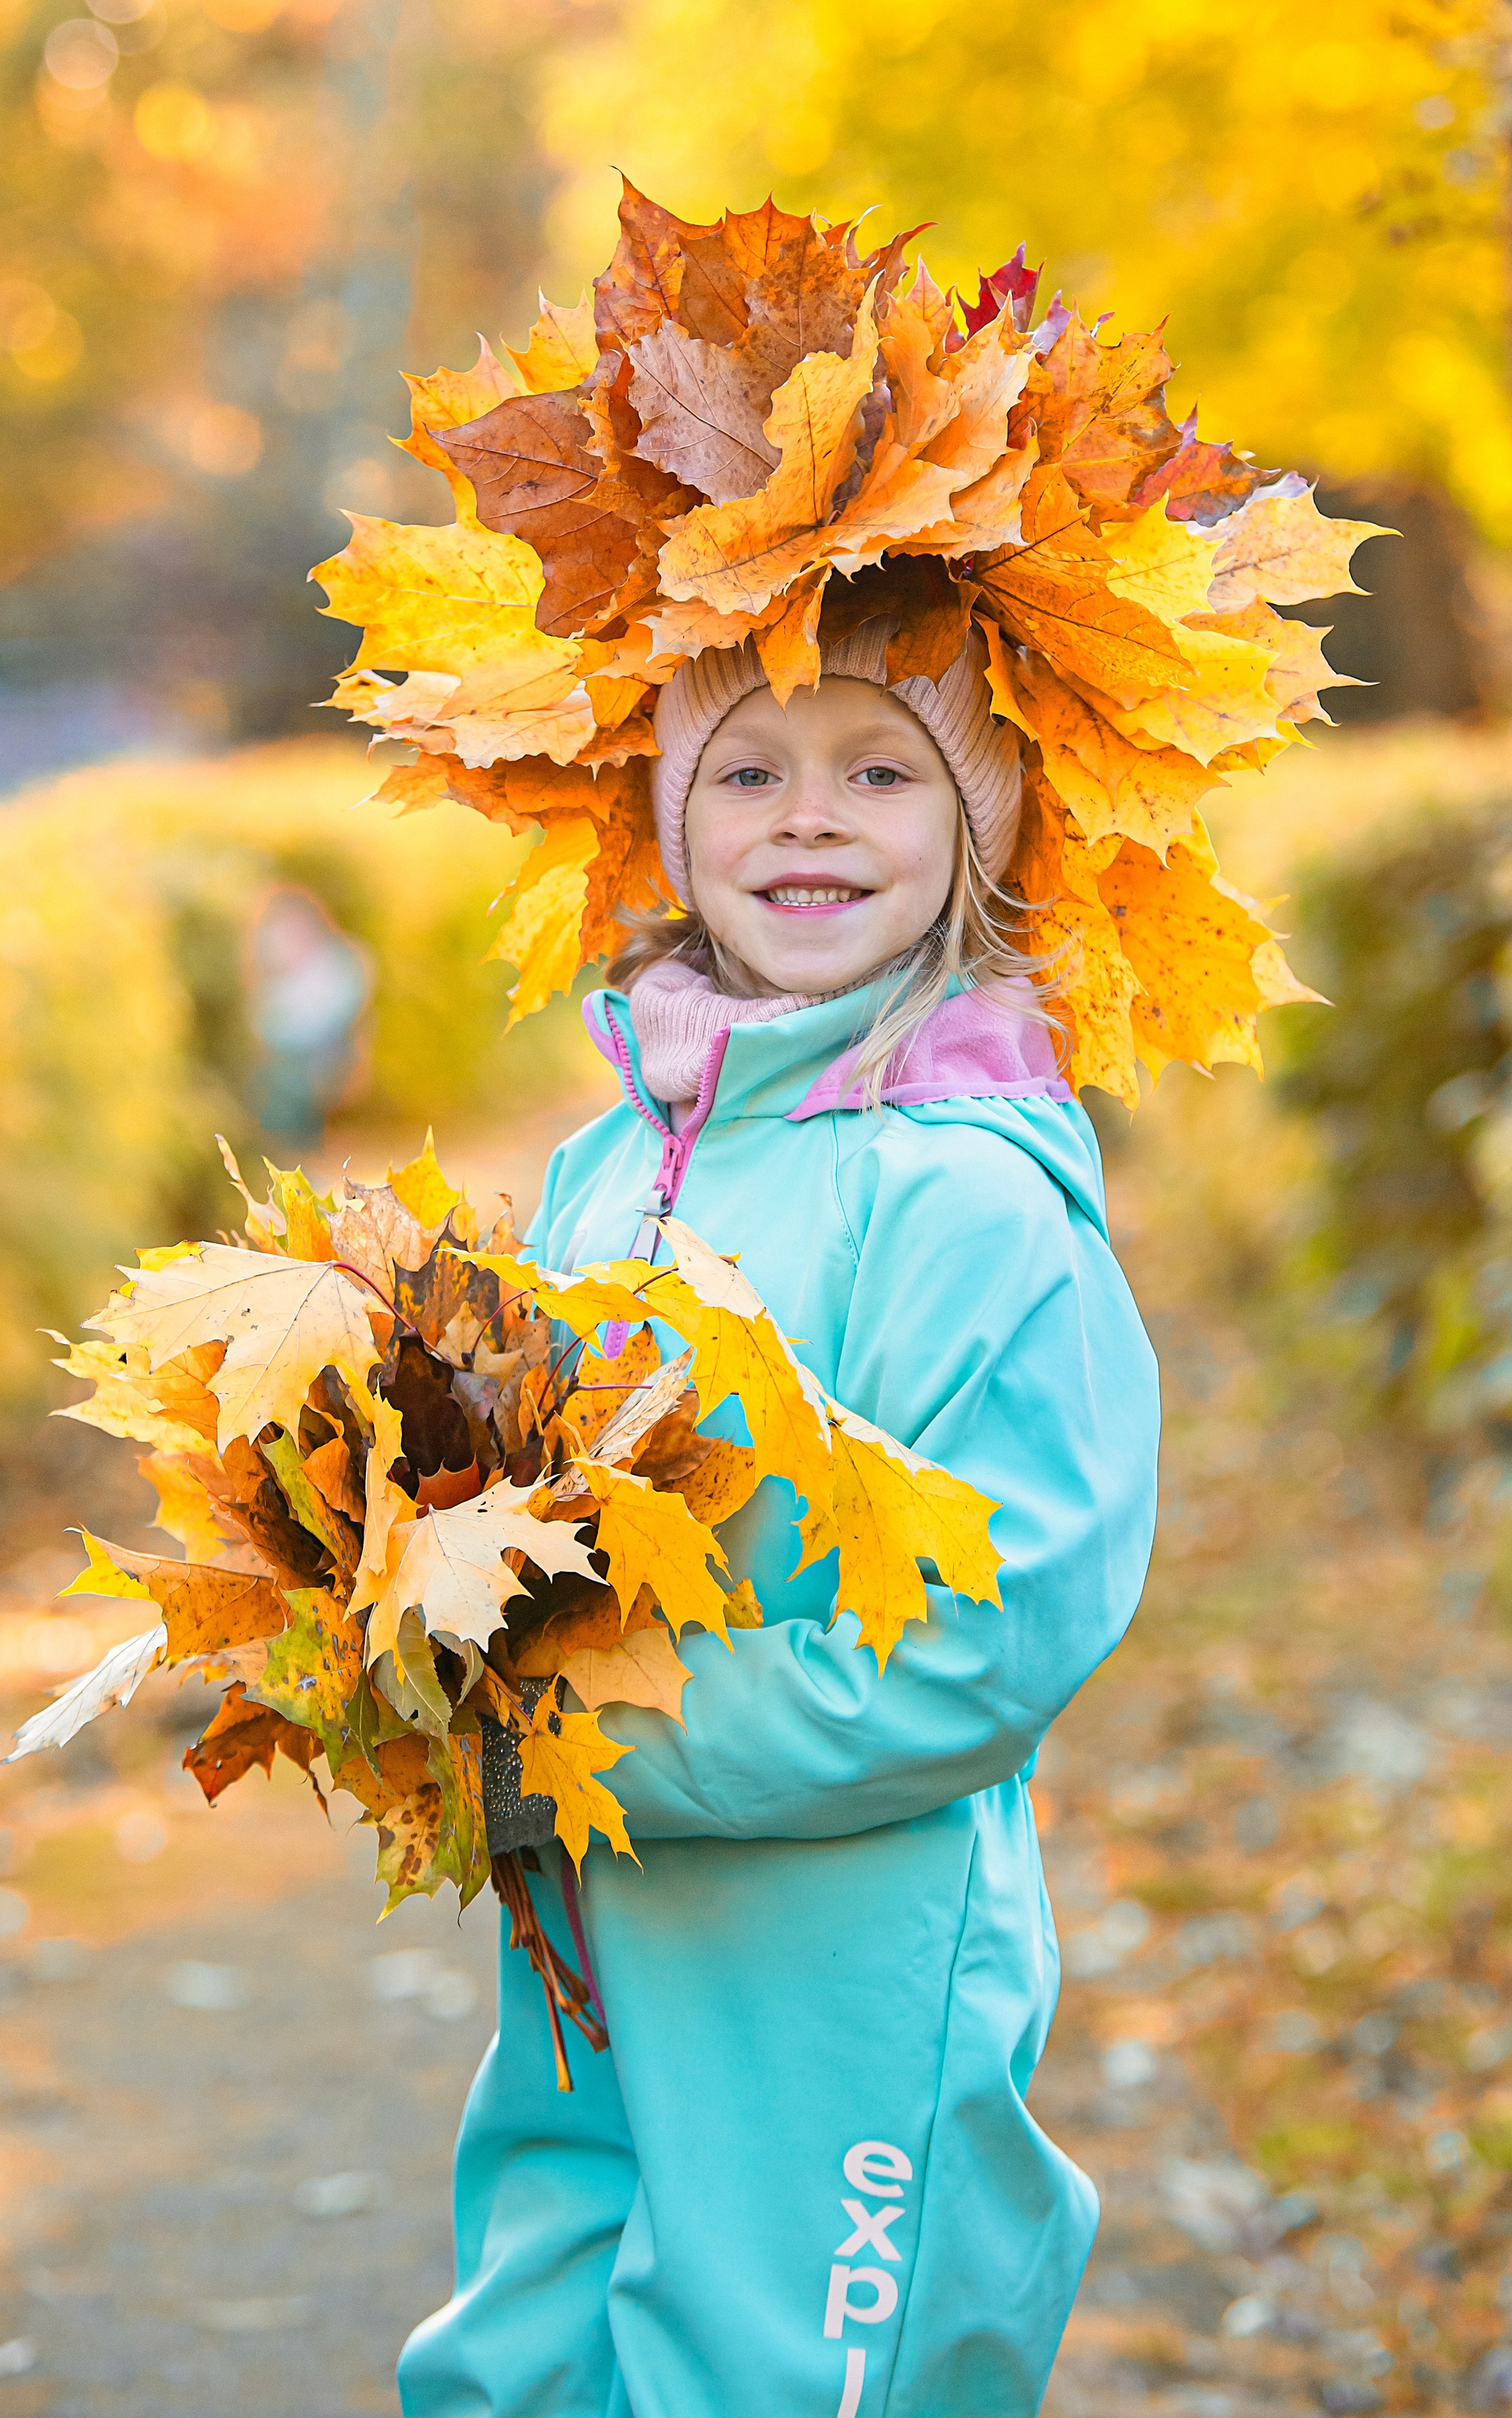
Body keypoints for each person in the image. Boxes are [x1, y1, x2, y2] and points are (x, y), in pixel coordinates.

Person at [397, 613, 1161, 2418]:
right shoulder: (611, 1167)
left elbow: (992, 1632)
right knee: (526, 2352)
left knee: (781, 2372)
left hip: (844, 1961)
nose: (806, 820)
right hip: (589, 1934)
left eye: (881, 771)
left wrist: (602, 1741)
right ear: (672, 818)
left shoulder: (966, 1209)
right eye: (748, 771)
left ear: (978, 823)